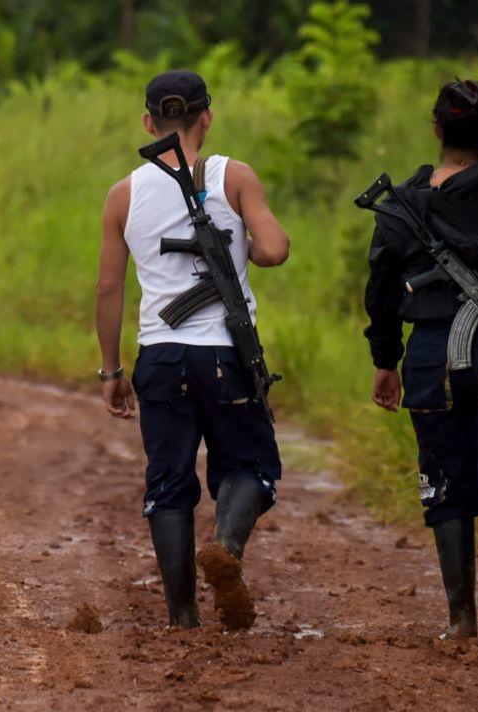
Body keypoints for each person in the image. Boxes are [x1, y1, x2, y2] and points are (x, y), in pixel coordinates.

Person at [95, 70, 290, 630]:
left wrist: (111, 369)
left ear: (148, 122)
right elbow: (274, 250)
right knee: (251, 465)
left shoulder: (124, 193)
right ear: (207, 115)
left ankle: (182, 616)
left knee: (168, 481)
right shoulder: (235, 177)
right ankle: (226, 545)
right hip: (227, 355)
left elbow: (109, 288)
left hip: (160, 356)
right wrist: (244, 242)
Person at [364, 79, 478, 650]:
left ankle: (462, 620)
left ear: (438, 128)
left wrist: (386, 360)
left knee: (444, 483)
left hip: (428, 358)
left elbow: (380, 292)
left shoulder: (401, 205)